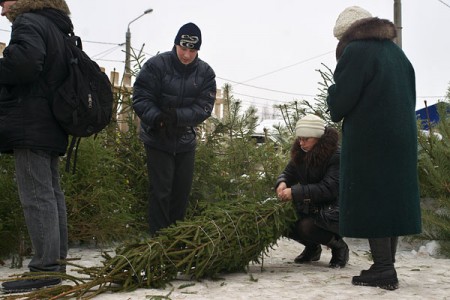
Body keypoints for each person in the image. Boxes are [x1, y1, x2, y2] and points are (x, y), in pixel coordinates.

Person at [326, 6, 422, 290]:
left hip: (371, 139)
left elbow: (339, 105)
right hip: (401, 138)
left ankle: (383, 269)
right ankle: (385, 264)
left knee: (374, 198)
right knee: (389, 198)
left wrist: (334, 88)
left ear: (348, 34)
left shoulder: (356, 52)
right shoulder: (397, 53)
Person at [0, 0, 73, 293]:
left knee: (37, 196)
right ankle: (57, 264)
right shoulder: (55, 25)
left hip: (30, 121)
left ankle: (45, 269)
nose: (3, 9)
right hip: (51, 121)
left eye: (4, 1)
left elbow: (26, 64)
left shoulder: (28, 22)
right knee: (51, 195)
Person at [132, 22, 216, 235]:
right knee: (161, 193)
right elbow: (141, 97)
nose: (187, 55)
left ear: (198, 50)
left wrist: (177, 117)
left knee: (181, 194)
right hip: (157, 139)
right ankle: (158, 242)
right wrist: (158, 118)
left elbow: (204, 107)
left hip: (185, 141)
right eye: (183, 48)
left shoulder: (205, 73)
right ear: (176, 44)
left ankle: (176, 241)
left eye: (192, 50)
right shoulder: (156, 66)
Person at [275, 114, 349, 269]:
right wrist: (282, 183)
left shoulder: (336, 156)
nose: (301, 143)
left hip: (334, 211)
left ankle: (339, 247)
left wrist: (295, 192)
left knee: (306, 227)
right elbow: (288, 172)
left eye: (306, 139)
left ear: (318, 137)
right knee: (282, 221)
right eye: (299, 139)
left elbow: (328, 189)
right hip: (310, 207)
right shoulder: (301, 152)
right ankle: (313, 248)